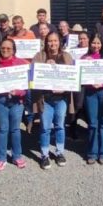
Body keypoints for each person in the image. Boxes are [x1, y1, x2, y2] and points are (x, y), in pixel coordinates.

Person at [32, 32, 74, 169]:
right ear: (46, 42)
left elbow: (73, 76)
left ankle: (60, 152)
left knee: (60, 126)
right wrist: (44, 65)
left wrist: (65, 89)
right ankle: (44, 155)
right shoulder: (39, 56)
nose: (53, 43)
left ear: (59, 42)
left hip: (61, 98)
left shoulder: (66, 56)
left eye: (55, 41)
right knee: (45, 127)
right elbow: (33, 74)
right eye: (50, 41)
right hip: (45, 99)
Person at [0, 39, 29, 172]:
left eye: (8, 48)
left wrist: (19, 92)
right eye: (3, 48)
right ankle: (1, 158)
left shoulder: (21, 64)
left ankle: (17, 156)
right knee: (2, 129)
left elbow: (26, 85)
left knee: (15, 129)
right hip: (0, 102)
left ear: (13, 50)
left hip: (17, 102)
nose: (5, 50)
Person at [80, 33, 103, 164]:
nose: (96, 45)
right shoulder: (84, 58)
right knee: (93, 123)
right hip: (90, 93)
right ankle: (92, 152)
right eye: (93, 42)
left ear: (102, 45)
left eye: (98, 43)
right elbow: (79, 78)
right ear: (89, 43)